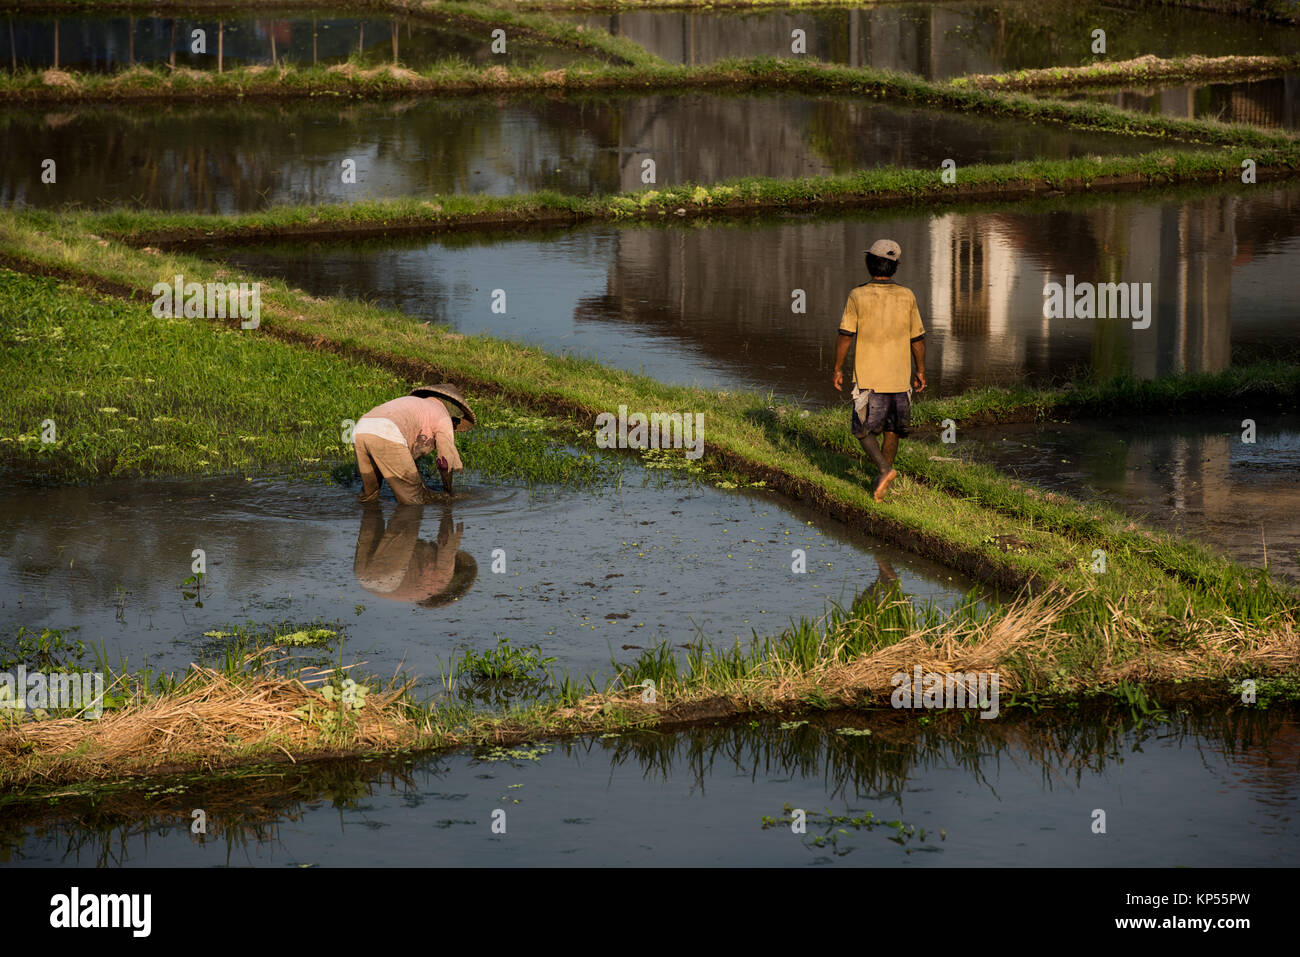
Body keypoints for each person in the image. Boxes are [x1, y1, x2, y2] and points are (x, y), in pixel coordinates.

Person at [831, 239, 927, 502]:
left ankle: (884, 470)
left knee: (861, 430)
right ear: (895, 266)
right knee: (892, 429)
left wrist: (838, 367)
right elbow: (917, 339)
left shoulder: (857, 295)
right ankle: (882, 483)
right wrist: (920, 371)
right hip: (899, 378)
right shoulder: (907, 295)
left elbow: (845, 335)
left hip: (870, 378)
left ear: (869, 262)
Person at [353, 384, 476, 505]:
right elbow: (445, 462)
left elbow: (408, 461)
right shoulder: (443, 417)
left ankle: (365, 519)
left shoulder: (418, 405)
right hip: (388, 431)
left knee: (369, 495)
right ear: (454, 410)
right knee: (413, 500)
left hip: (361, 428)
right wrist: (448, 493)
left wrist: (424, 488)